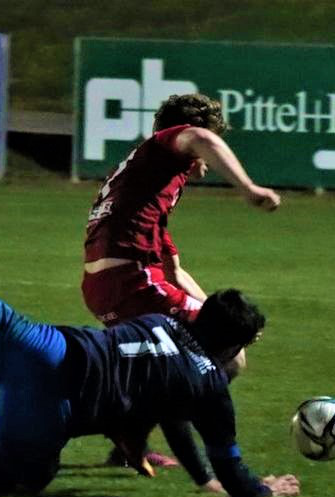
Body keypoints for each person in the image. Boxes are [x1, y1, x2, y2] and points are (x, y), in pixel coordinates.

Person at [0, 157, 299, 497]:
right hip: (54, 401)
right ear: (232, 344)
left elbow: (169, 409)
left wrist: (165, 456)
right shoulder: (209, 386)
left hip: (41, 343)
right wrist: (262, 489)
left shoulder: (161, 321)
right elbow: (229, 467)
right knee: (24, 479)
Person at [82, 93, 281, 471]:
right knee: (229, 357)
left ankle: (127, 442)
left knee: (169, 360)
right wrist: (249, 189)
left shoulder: (147, 184)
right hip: (132, 281)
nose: (207, 155)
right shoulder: (162, 151)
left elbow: (175, 272)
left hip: (105, 284)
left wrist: (226, 320)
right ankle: (162, 441)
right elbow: (201, 138)